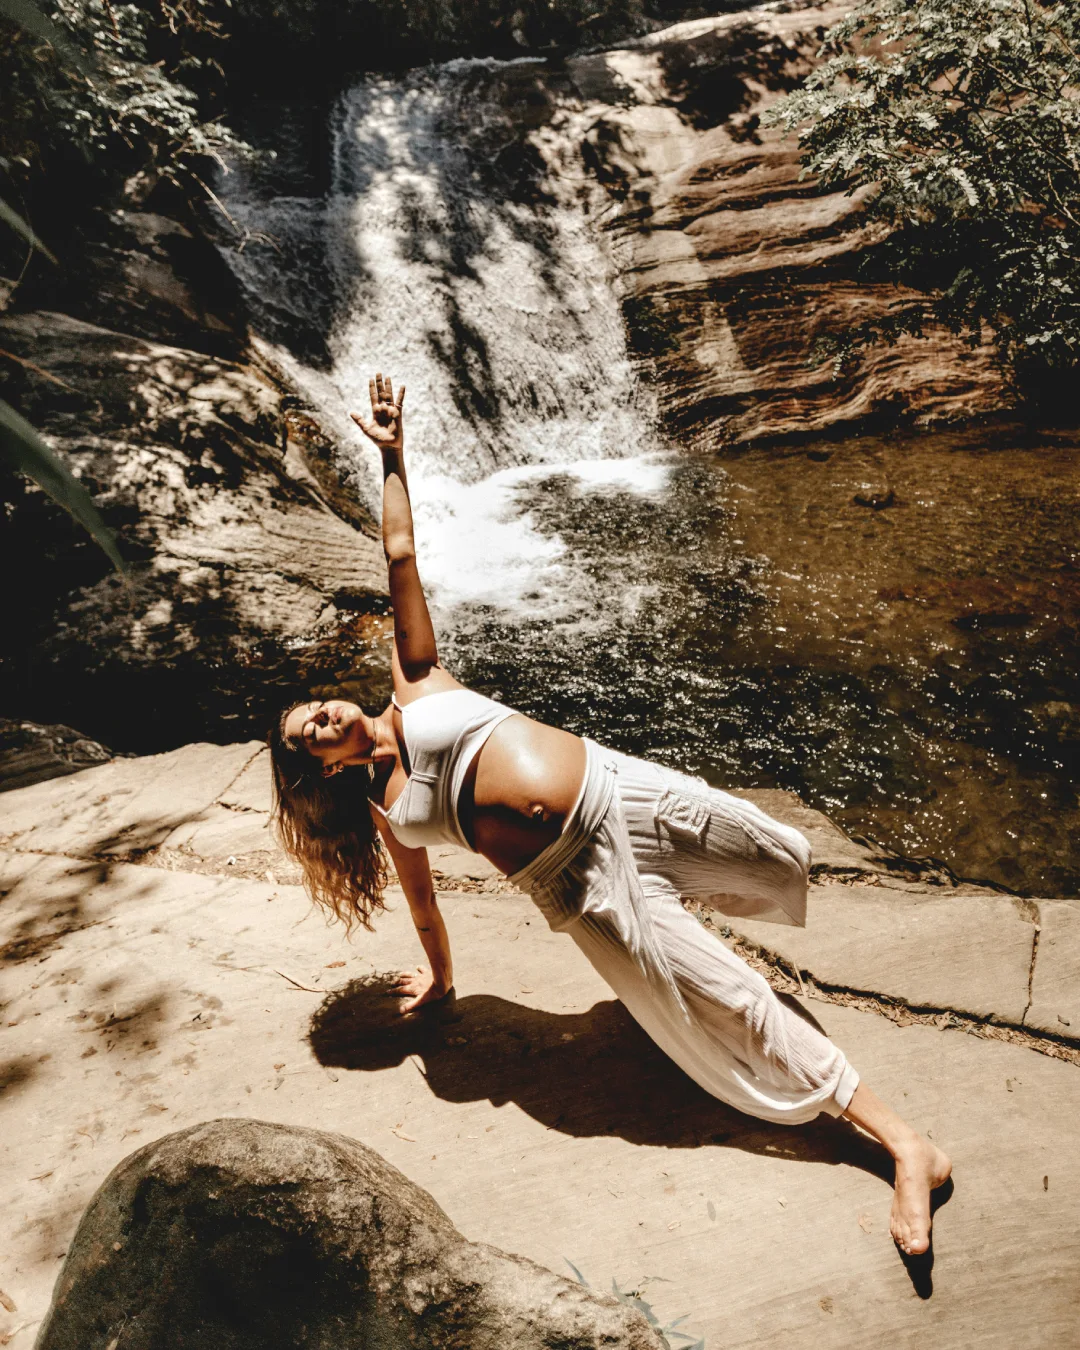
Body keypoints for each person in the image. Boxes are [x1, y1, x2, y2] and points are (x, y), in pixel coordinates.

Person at [270, 373, 952, 1257]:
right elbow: (425, 901)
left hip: (618, 790)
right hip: (582, 883)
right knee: (728, 1001)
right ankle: (906, 1145)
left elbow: (400, 557)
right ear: (321, 767)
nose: (323, 717)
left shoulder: (415, 679)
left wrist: (392, 455)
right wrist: (440, 980)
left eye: (315, 707)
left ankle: (683, 943)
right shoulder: (386, 812)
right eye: (309, 734)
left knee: (768, 850)